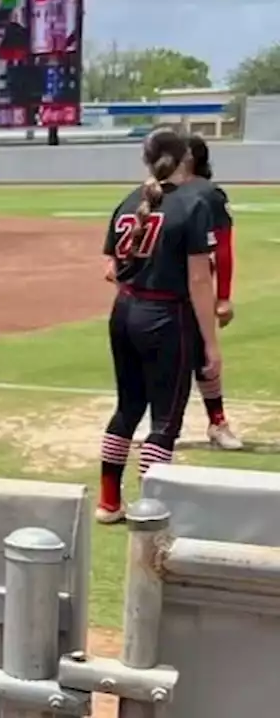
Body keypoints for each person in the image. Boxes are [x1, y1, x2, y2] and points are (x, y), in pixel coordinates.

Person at [95, 128, 222, 524]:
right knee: (166, 419)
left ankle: (109, 502)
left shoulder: (128, 201)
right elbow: (200, 281)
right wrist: (211, 344)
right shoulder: (192, 203)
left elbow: (110, 269)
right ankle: (149, 509)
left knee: (127, 408)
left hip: (124, 312)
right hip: (167, 317)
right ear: (186, 158)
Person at [185, 135, 243, 451]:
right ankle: (161, 424)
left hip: (196, 286)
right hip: (161, 286)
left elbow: (223, 247)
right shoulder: (157, 191)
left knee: (205, 356)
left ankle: (218, 422)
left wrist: (223, 295)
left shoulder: (209, 195)